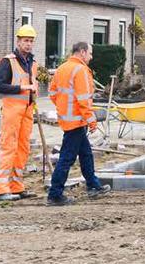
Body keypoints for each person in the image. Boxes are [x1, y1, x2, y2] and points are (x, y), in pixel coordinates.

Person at [46, 42, 110, 206]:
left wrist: (64, 108)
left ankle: (93, 185)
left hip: (69, 119)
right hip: (77, 120)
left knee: (86, 153)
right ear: (82, 52)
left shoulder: (62, 68)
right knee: (67, 158)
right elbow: (83, 100)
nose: (91, 56)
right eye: (90, 53)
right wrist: (92, 121)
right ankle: (55, 194)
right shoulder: (80, 70)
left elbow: (52, 94)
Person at [0, 25, 40, 201]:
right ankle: (1, 189)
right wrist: (23, 88)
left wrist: (34, 95)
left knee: (22, 149)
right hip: (12, 111)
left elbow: (32, 85)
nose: (28, 44)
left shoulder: (33, 64)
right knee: (7, 147)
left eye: (31, 41)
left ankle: (16, 186)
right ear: (18, 41)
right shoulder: (8, 61)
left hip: (27, 112)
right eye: (26, 41)